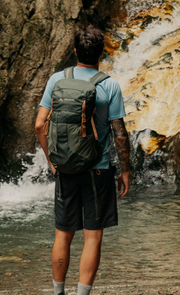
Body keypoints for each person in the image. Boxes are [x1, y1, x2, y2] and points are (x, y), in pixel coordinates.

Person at [35, 26, 131, 295]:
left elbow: (39, 125)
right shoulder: (109, 84)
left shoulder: (57, 79)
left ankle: (58, 292)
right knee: (92, 236)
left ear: (75, 51)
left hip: (65, 167)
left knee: (63, 234)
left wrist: (51, 160)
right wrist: (125, 170)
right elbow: (119, 132)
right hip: (97, 170)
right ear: (102, 53)